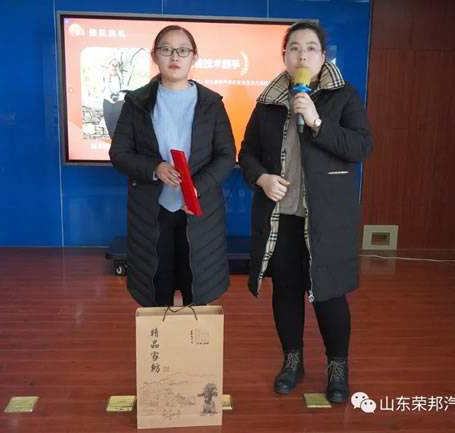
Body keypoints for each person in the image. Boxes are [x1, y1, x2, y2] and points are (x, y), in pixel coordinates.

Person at [238, 21, 373, 403]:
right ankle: (292, 360)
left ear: (323, 56)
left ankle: (337, 367)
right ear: (284, 55)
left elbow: (361, 147)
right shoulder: (268, 102)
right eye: (294, 48)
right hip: (281, 215)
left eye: (310, 48)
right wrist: (262, 178)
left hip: (326, 218)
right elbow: (247, 153)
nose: (302, 55)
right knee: (286, 290)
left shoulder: (344, 96)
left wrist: (316, 121)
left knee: (329, 293)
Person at [110, 25, 236, 307]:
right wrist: (155, 167)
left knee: (197, 285)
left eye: (182, 50)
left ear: (194, 57)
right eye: (166, 49)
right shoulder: (137, 102)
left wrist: (196, 187)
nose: (174, 56)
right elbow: (119, 153)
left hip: (199, 209)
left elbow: (227, 155)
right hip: (151, 210)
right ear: (155, 56)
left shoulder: (211, 103)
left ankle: (194, 337)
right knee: (157, 286)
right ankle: (162, 337)